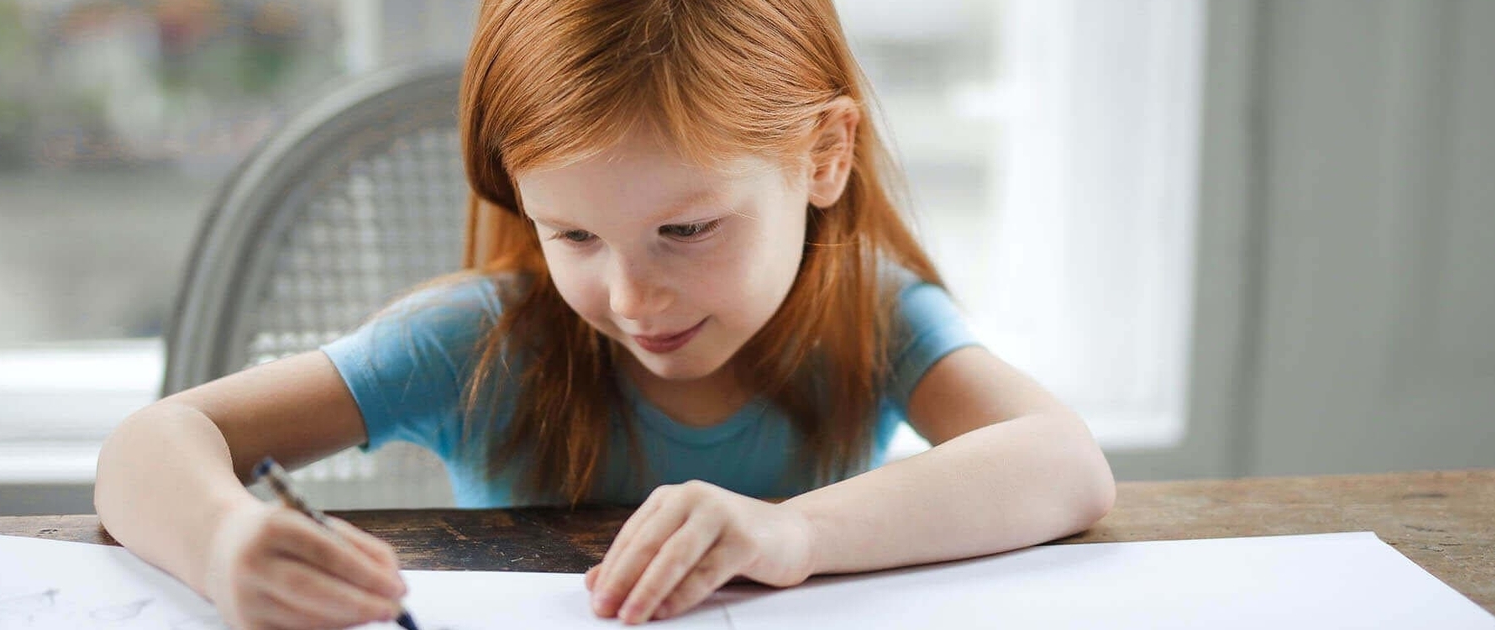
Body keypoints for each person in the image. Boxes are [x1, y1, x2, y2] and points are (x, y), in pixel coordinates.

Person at [94, 0, 1116, 627]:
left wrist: (788, 536)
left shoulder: (873, 315)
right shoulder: (475, 344)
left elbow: (1066, 466)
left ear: (824, 157)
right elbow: (151, 445)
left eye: (686, 231)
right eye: (574, 236)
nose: (629, 300)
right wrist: (223, 542)